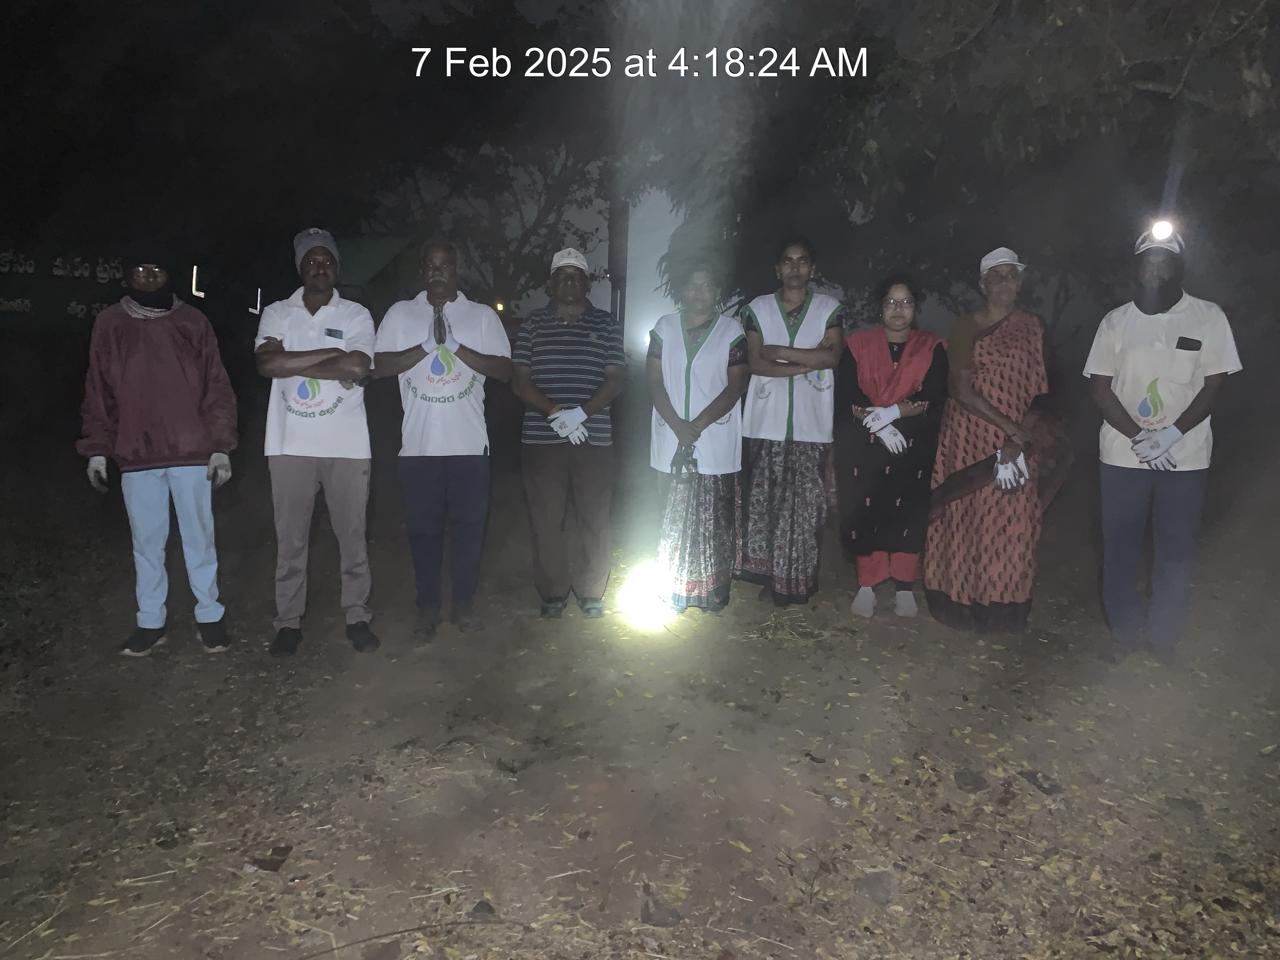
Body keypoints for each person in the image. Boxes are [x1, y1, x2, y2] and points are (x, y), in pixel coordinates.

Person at [1084, 226, 1241, 661]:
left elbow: (1214, 383)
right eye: (1148, 260)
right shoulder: (1115, 322)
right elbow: (1100, 387)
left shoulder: (1208, 317)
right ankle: (1124, 633)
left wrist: (1171, 435)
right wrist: (1140, 437)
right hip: (1122, 454)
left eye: (1165, 260)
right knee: (1120, 547)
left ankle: (1164, 638)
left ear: (1179, 267)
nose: (1155, 268)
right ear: (1136, 268)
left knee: (1175, 549)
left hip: (1185, 457)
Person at [77, 246, 237, 656]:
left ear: (169, 274)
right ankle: (150, 621)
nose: (148, 277)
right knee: (146, 544)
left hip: (191, 452)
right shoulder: (110, 323)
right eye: (140, 270)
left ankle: (210, 617)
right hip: (136, 453)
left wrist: (220, 446)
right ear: (128, 275)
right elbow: (98, 389)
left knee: (199, 539)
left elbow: (216, 385)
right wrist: (97, 449)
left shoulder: (192, 321)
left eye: (157, 269)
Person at [373, 240, 512, 639]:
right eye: (430, 266)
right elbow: (378, 367)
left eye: (445, 265)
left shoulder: (481, 316)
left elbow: (503, 370)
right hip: (418, 447)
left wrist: (453, 346)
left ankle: (464, 605)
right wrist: (425, 346)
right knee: (423, 533)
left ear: (456, 269)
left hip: (469, 446)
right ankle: (428, 608)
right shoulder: (401, 314)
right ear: (422, 271)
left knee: (469, 531)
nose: (438, 272)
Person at [255, 228, 378, 655]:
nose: (319, 267)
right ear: (300, 268)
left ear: (336, 267)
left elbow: (359, 366)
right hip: (288, 444)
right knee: (291, 541)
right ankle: (288, 622)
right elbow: (266, 365)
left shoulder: (356, 314)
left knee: (352, 537)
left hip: (347, 446)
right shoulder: (277, 312)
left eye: (326, 260)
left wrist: (291, 361)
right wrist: (331, 357)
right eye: (311, 261)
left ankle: (357, 616)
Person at [923, 247, 1055, 633]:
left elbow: (1041, 391)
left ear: (1020, 282)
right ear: (983, 284)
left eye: (1011, 276)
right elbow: (960, 389)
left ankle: (1003, 606)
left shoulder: (1032, 327)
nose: (1004, 283)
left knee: (1013, 519)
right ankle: (958, 603)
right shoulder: (966, 326)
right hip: (968, 437)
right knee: (966, 515)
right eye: (996, 277)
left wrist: (1019, 435)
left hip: (1019, 438)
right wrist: (1008, 428)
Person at [511, 248, 626, 619]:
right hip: (542, 440)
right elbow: (519, 381)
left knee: (595, 516)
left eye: (577, 276)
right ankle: (553, 591)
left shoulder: (606, 324)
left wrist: (581, 414)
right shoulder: (533, 324)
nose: (570, 283)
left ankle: (592, 591)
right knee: (546, 519)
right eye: (563, 277)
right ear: (551, 284)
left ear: (588, 284)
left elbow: (616, 379)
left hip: (594, 439)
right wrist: (555, 412)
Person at [736, 237, 844, 606]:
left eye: (802, 261)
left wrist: (780, 352)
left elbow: (832, 358)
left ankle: (797, 581)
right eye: (788, 261)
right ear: (777, 269)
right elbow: (755, 362)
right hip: (765, 423)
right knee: (767, 504)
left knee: (805, 509)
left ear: (812, 269)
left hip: (811, 425)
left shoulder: (829, 308)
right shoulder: (758, 309)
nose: (795, 267)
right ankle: (770, 578)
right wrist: (806, 363)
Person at [834, 275, 948, 619]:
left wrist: (895, 412)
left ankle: (903, 586)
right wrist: (879, 423)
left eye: (906, 302)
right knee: (866, 508)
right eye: (891, 302)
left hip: (912, 444)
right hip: (866, 443)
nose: (899, 309)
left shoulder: (932, 347)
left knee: (907, 511)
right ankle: (867, 585)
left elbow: (934, 393)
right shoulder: (858, 346)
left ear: (916, 308)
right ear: (880, 308)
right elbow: (848, 394)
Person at [647, 262, 750, 613]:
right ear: (682, 290)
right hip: (670, 433)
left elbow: (736, 386)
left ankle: (711, 593)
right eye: (692, 285)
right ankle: (674, 590)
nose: (698, 292)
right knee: (672, 514)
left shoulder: (731, 331)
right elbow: (654, 381)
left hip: (714, 436)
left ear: (717, 292)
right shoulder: (664, 328)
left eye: (706, 286)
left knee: (713, 519)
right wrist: (678, 424)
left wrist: (697, 425)